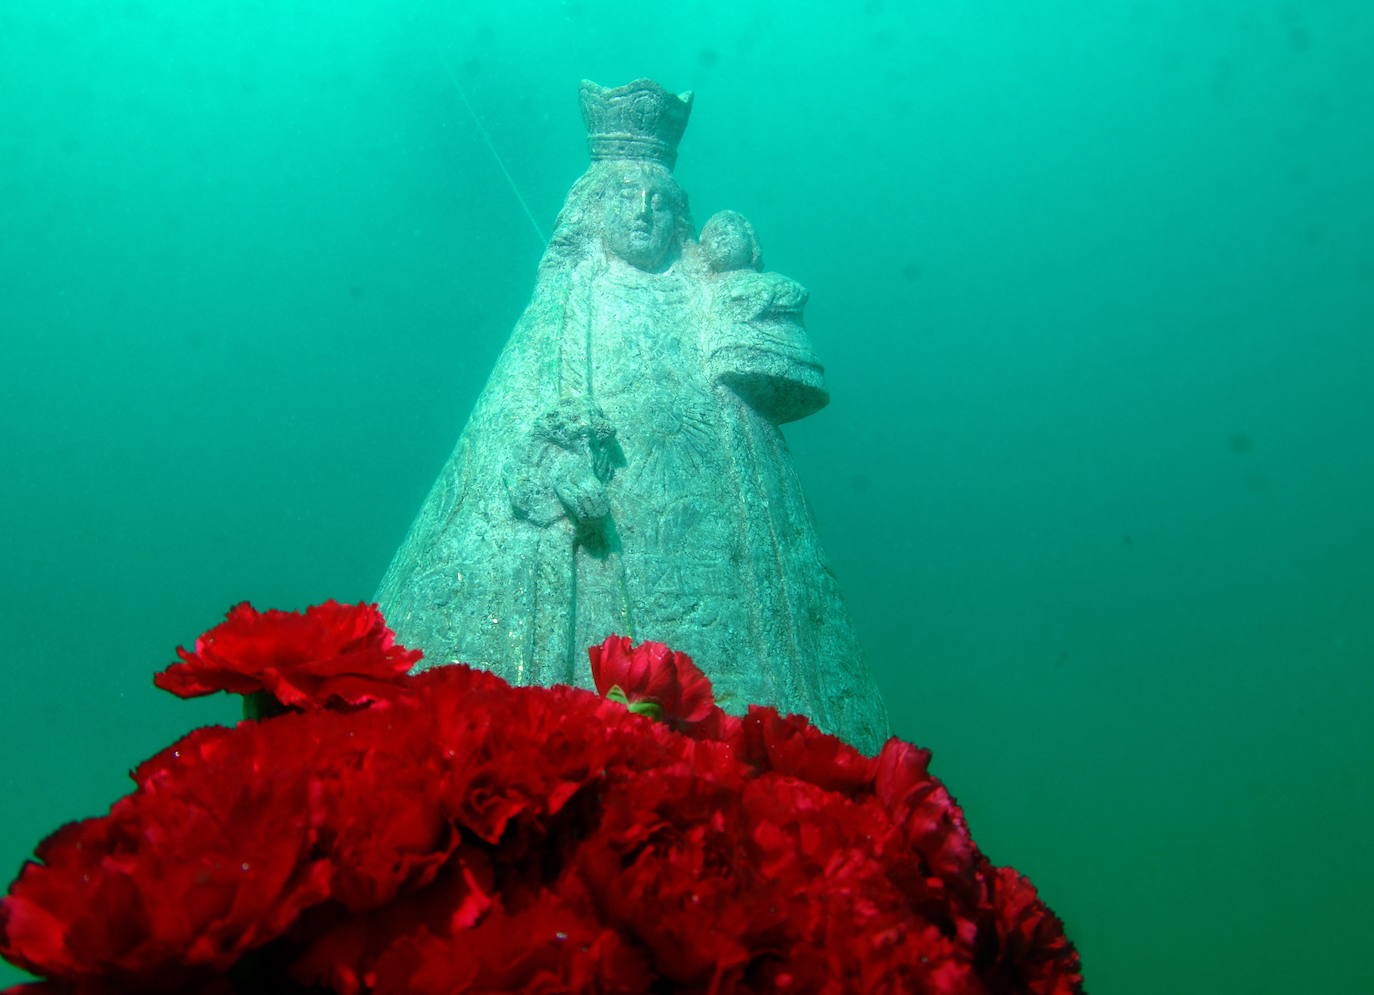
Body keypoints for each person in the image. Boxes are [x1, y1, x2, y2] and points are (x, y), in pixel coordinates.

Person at [376, 80, 888, 752]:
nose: (643, 214)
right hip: (601, 544)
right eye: (623, 198)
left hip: (718, 540)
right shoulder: (569, 299)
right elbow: (519, 414)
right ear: (591, 210)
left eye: (658, 201)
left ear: (680, 214)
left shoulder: (709, 295)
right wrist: (555, 464)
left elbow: (784, 379)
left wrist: (745, 286)